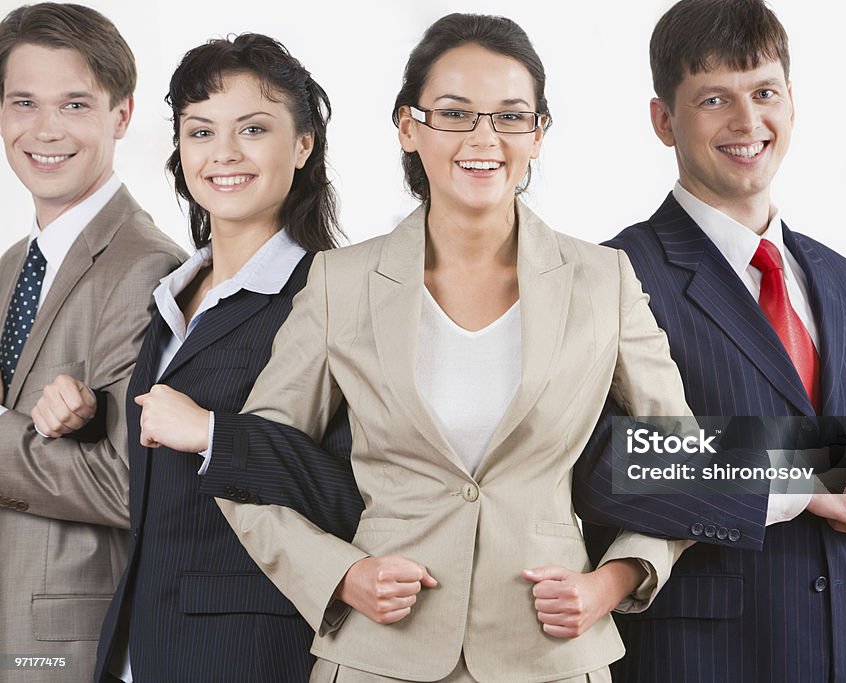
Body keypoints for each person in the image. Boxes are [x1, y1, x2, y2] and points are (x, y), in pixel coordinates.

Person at [141, 13, 698, 683]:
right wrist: (342, 575)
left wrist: (613, 581)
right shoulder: (338, 283)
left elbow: (685, 456)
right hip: (378, 652)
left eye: (511, 116)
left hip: (550, 653)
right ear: (408, 126)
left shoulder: (603, 279)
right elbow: (249, 469)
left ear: (538, 133)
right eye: (455, 114)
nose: (484, 138)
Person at [571, 1, 846, 681]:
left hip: (843, 654)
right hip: (702, 659)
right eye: (714, 99)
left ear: (792, 100)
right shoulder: (614, 273)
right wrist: (800, 477)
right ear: (664, 119)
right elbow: (600, 464)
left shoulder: (842, 278)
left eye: (764, 92)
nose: (747, 121)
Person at [32, 33, 359, 683]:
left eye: (254, 128)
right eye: (200, 132)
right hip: (140, 642)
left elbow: (365, 496)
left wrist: (213, 433)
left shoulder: (336, 300)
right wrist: (96, 414)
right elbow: (165, 449)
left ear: (303, 145)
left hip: (248, 656)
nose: (224, 153)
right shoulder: (173, 296)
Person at [0, 4, 183, 680]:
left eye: (74, 103)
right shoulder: (12, 264)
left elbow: (127, 483)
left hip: (61, 643)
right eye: (23, 101)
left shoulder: (146, 265)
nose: (45, 129)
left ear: (121, 116)